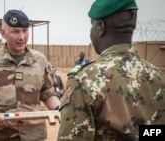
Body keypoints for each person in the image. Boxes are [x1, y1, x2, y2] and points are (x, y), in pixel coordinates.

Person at [58, 0, 165, 141]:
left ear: (101, 27)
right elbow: (156, 132)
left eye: (92, 25)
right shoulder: (158, 77)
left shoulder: (84, 80)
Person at [0, 9, 60, 141]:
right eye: (15, 31)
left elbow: (47, 92)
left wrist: (59, 108)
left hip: (34, 135)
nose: (22, 37)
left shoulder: (40, 60)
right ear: (3, 33)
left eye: (25, 30)